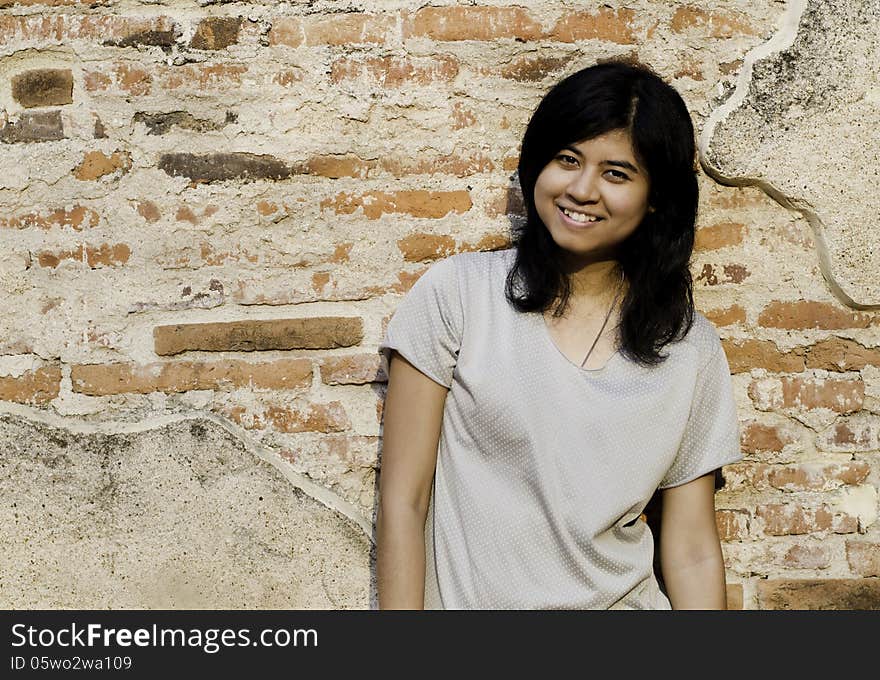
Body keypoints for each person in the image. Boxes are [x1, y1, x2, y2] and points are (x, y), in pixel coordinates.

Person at [375, 60, 743, 610]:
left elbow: (690, 548)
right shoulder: (460, 296)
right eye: (567, 159)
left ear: (657, 197)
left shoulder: (688, 349)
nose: (582, 189)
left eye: (616, 173)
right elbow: (404, 500)